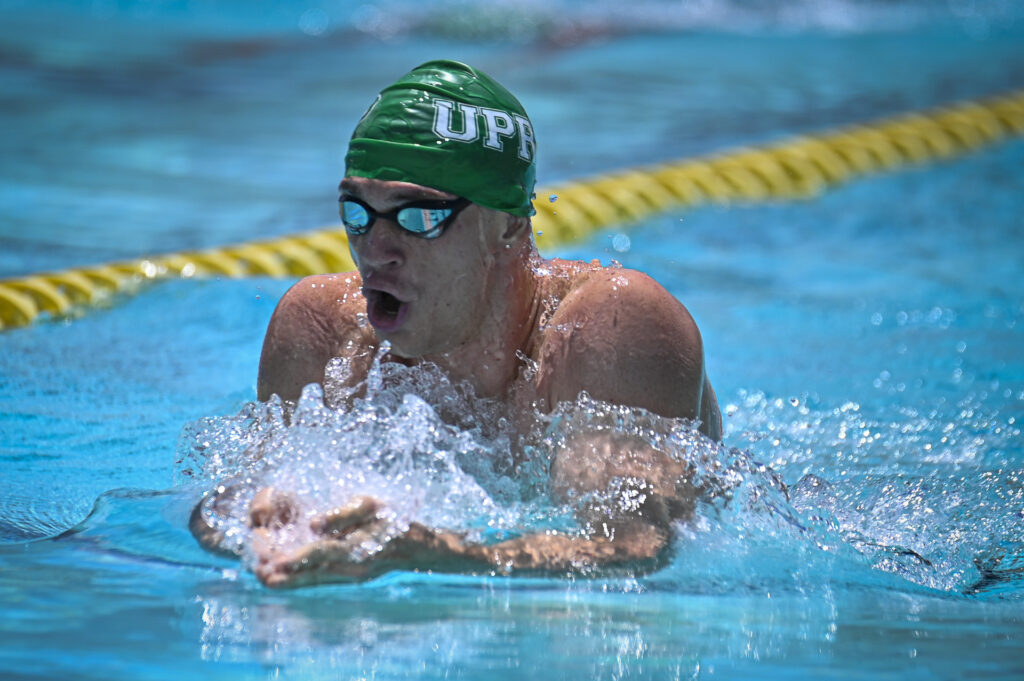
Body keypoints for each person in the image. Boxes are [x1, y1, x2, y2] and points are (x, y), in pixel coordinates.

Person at [190, 59, 721, 587]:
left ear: (508, 224)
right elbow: (227, 502)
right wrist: (246, 522)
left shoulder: (609, 328)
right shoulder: (321, 330)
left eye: (419, 217)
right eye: (357, 213)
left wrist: (445, 555)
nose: (375, 251)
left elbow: (632, 546)